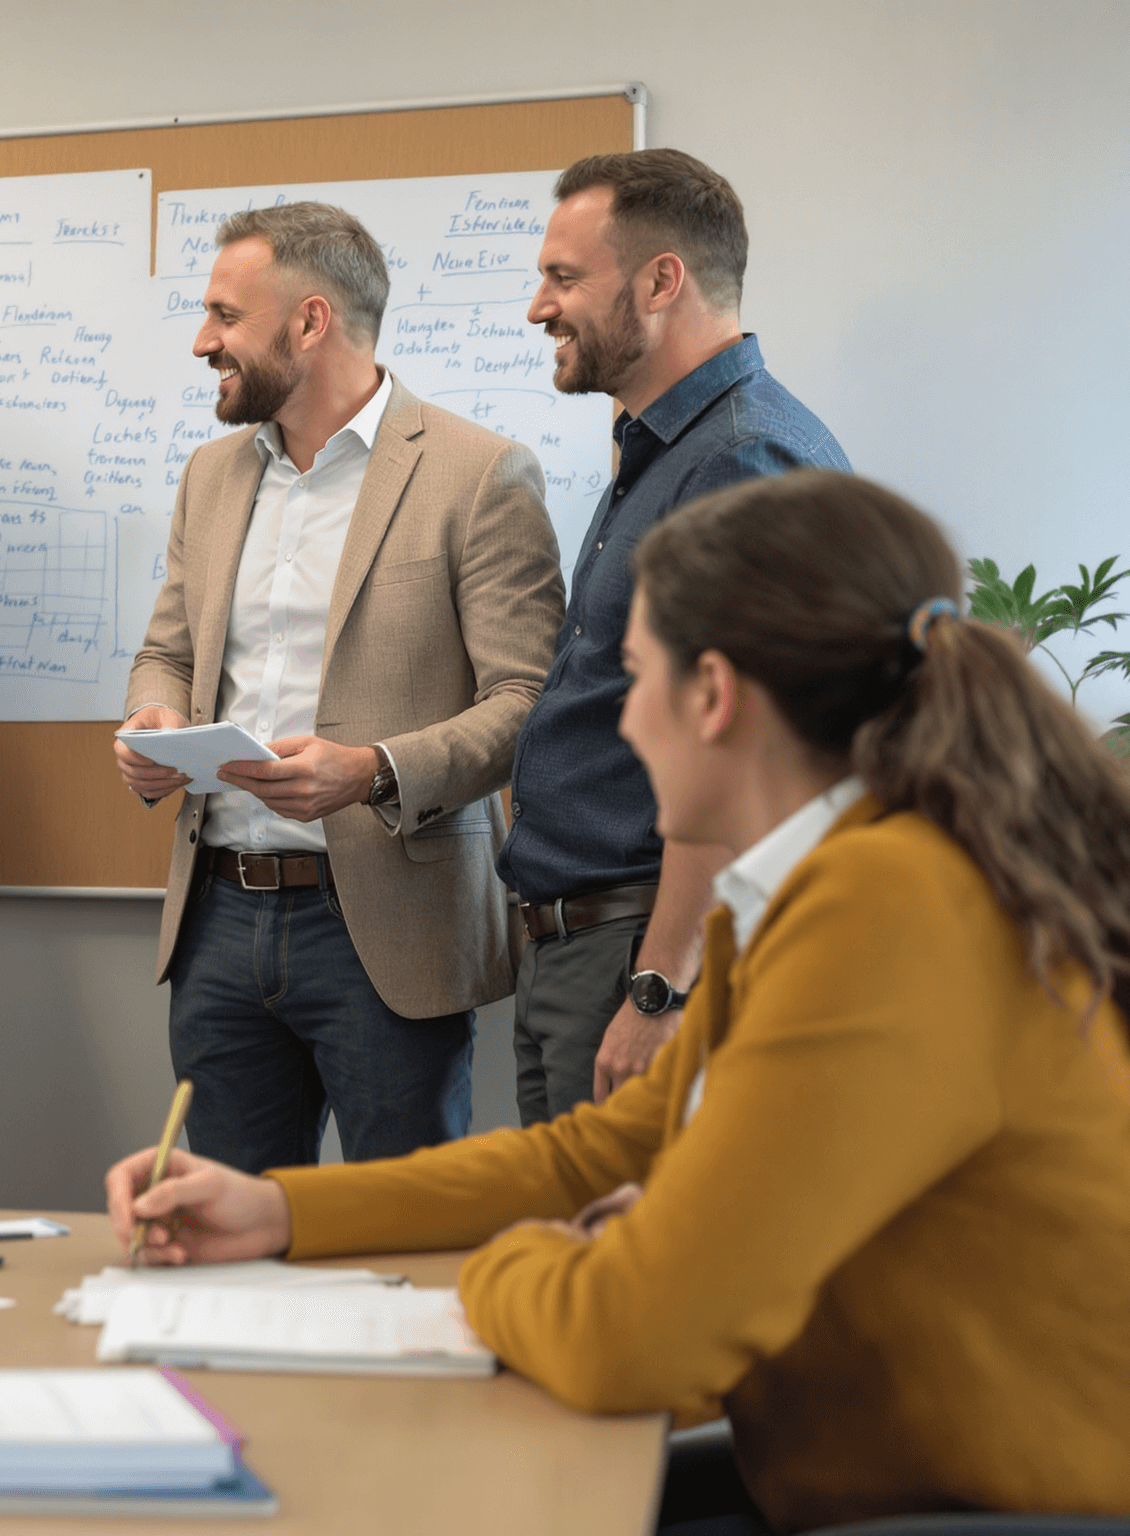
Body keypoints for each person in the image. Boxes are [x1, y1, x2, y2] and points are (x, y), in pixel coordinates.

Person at [106, 471, 1130, 1534]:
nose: (621, 728)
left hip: (990, 1503)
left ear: (715, 695)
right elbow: (611, 1153)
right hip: (879, 1470)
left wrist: (521, 1263)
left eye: (632, 680)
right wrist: (286, 1213)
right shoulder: (795, 892)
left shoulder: (892, 903)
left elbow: (631, 1331)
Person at [115, 202, 565, 1170]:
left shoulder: (479, 475)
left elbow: (528, 701)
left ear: (310, 321)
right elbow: (168, 652)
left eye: (225, 317)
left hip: (384, 932)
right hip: (219, 918)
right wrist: (153, 715)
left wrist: (373, 770)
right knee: (223, 1225)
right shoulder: (210, 475)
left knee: (395, 1241)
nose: (204, 342)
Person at [498, 149, 849, 1124]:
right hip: (576, 952)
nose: (538, 307)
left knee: (610, 1266)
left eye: (563, 278)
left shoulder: (742, 460)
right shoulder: (663, 450)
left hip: (637, 953)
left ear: (662, 280)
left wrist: (661, 987)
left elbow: (743, 759)